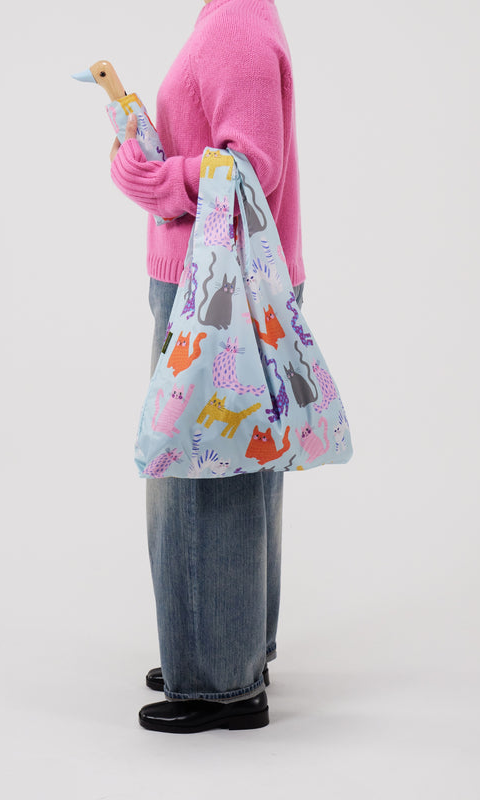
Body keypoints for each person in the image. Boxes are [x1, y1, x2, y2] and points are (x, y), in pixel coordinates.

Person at [109, 0, 305, 733]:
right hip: (227, 282)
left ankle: (220, 679)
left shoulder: (232, 26)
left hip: (213, 287)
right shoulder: (238, 15)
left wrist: (150, 176)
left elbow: (250, 168)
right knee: (237, 464)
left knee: (199, 473)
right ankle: (227, 646)